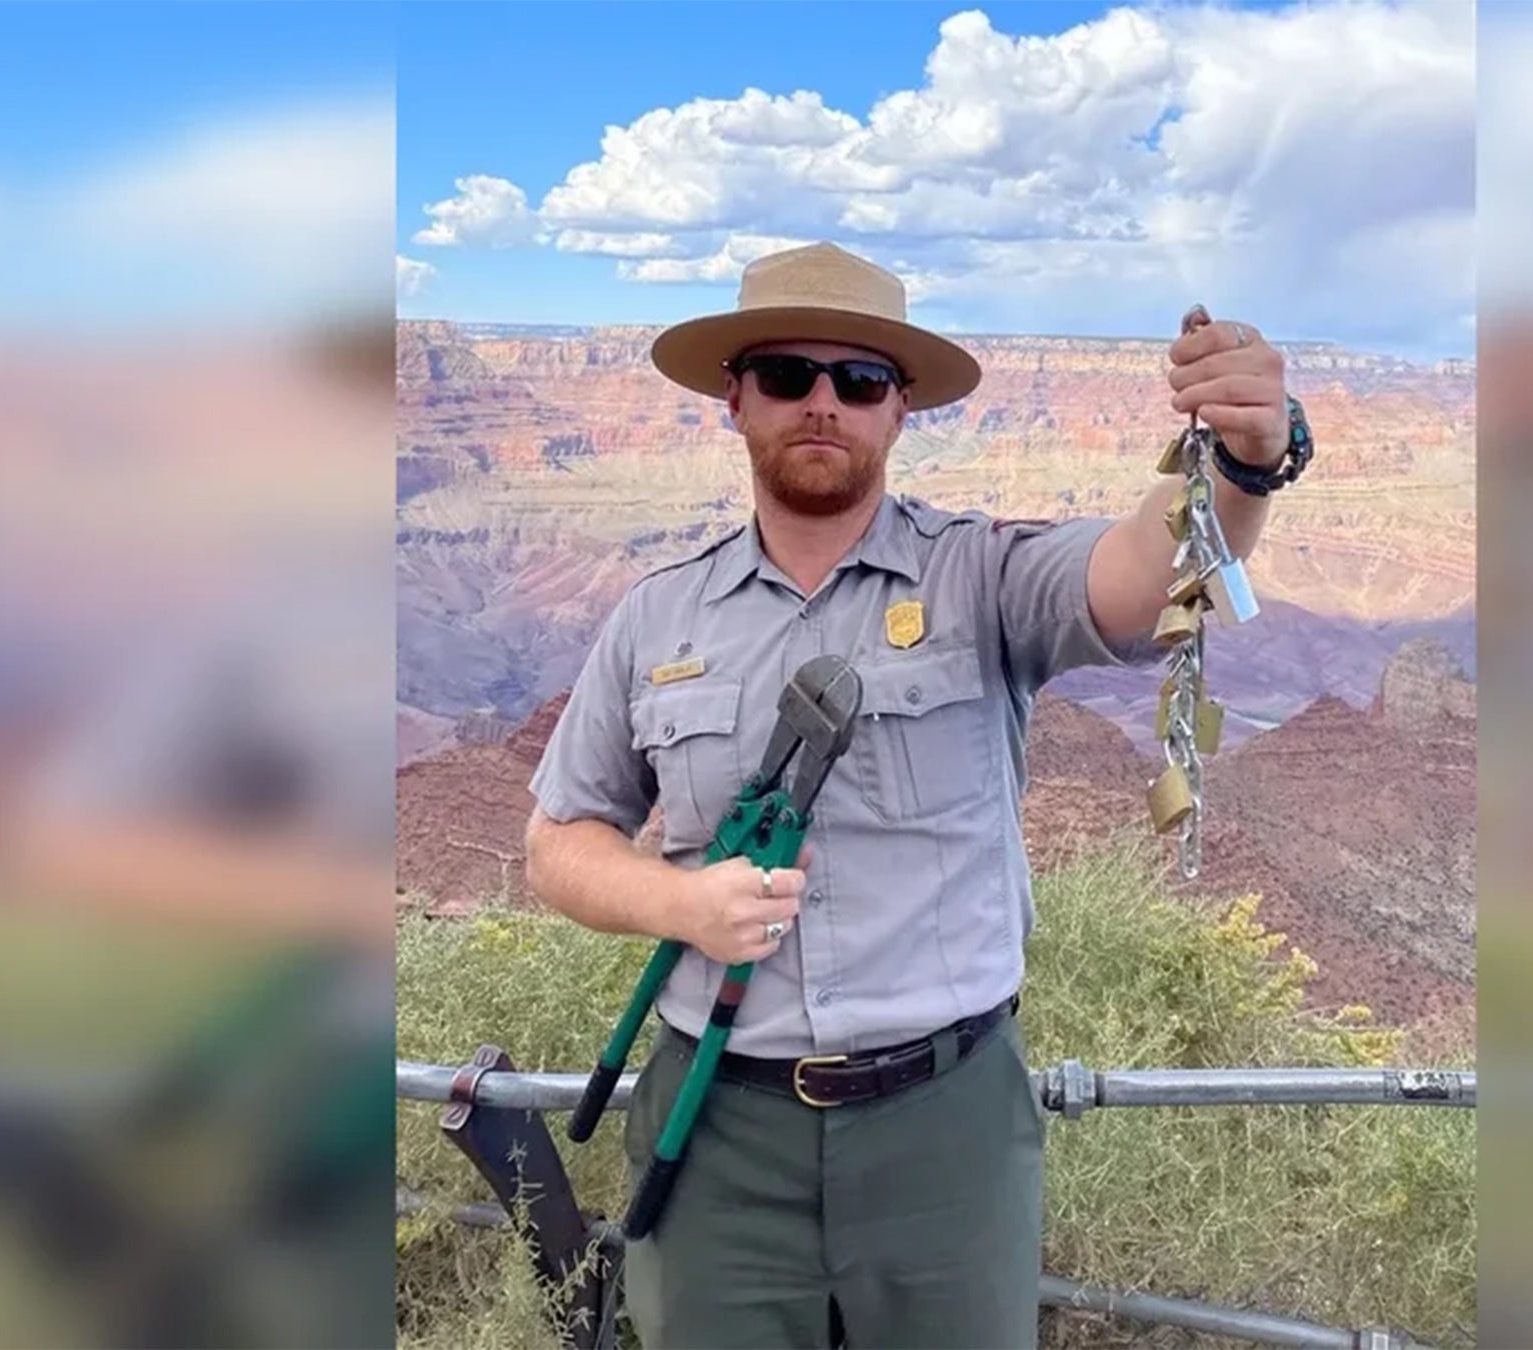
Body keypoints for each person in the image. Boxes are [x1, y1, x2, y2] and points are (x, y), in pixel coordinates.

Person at [523, 240, 1310, 1348]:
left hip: (945, 1129)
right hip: (713, 1128)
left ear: (900, 410)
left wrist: (1245, 461)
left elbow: (1143, 578)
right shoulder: (655, 617)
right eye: (787, 375)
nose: (823, 404)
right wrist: (680, 904)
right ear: (735, 399)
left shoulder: (981, 574)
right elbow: (559, 840)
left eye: (859, 381)